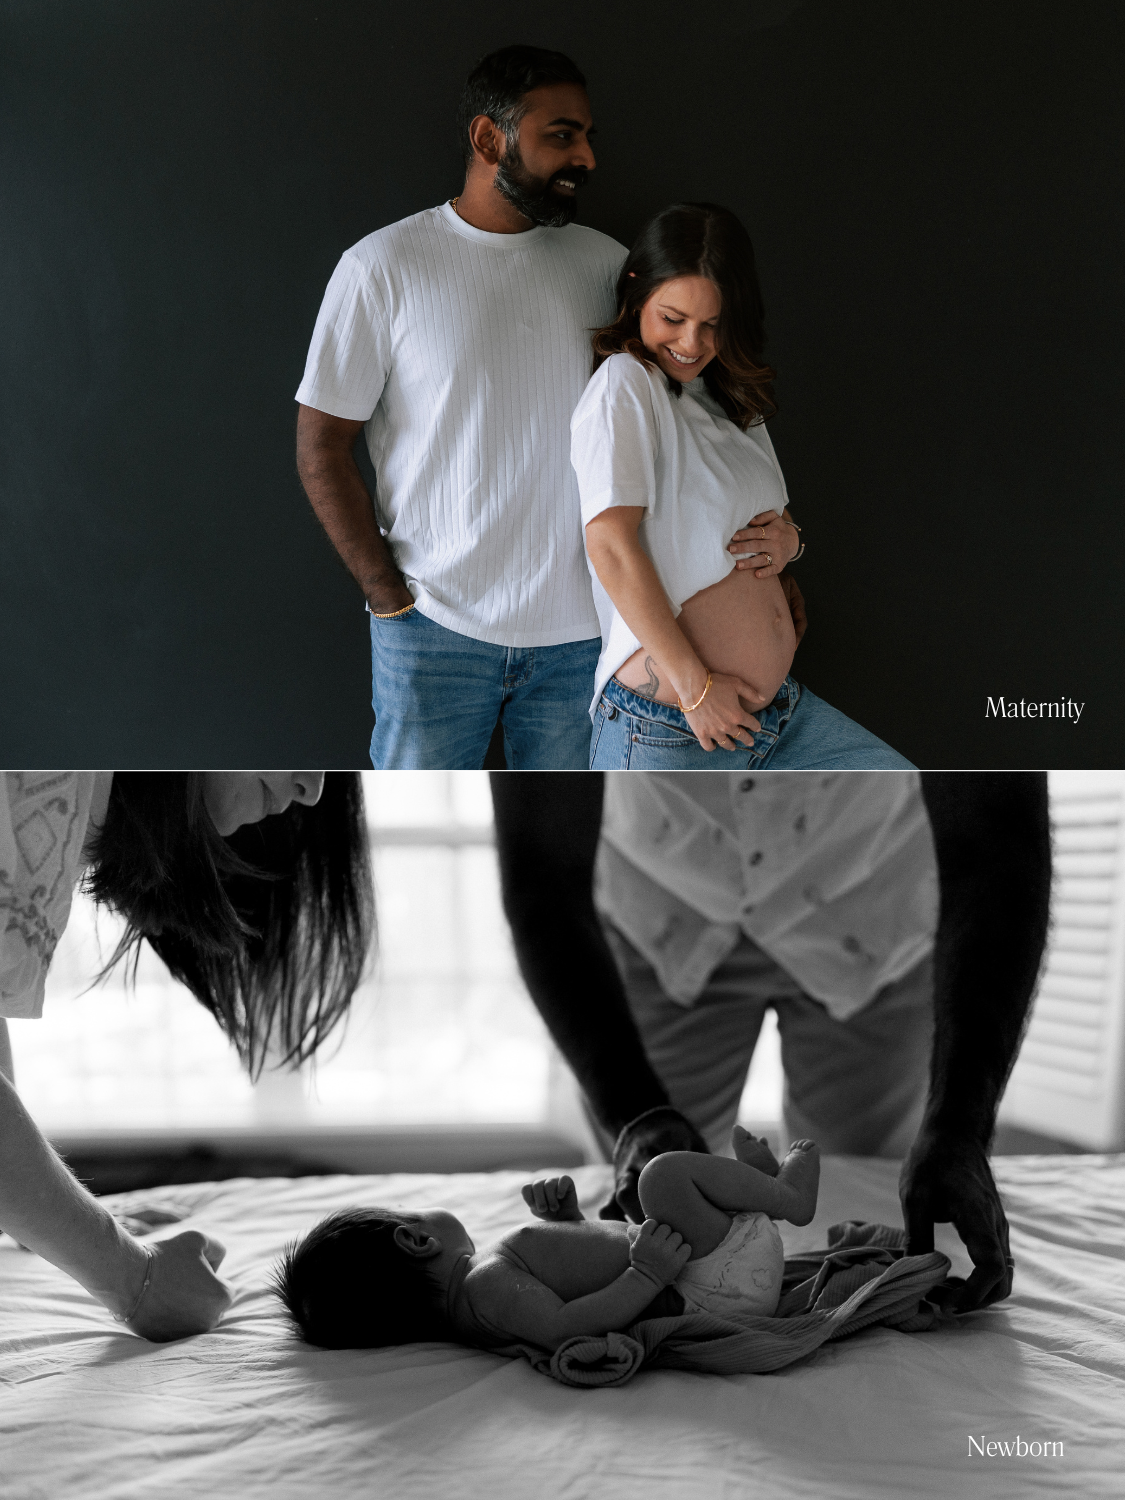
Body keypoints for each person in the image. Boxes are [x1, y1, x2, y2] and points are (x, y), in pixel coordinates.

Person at [294, 47, 792, 770]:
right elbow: (320, 445)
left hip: (588, 636)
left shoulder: (608, 266)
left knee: (563, 838)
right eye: (561, 135)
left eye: (588, 136)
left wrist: (779, 555)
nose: (585, 157)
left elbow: (694, 420)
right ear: (488, 139)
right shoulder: (383, 267)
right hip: (433, 630)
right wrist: (386, 597)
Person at [491, 770, 1052, 1313]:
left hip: (869, 909)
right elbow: (542, 868)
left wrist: (960, 1126)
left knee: (877, 1199)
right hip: (663, 914)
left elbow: (997, 840)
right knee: (641, 1197)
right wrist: (634, 1114)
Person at [0, 771, 373, 1341]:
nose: (312, 789)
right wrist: (133, 1280)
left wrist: (41, 1219)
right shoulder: (53, 783)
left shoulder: (64, 798)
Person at [573, 202, 912, 769]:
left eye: (712, 324)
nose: (691, 342)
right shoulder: (626, 383)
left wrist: (791, 544)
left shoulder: (731, 399)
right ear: (636, 293)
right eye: (672, 317)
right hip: (675, 725)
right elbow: (609, 542)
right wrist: (696, 690)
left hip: (770, 713)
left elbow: (762, 521)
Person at [273, 1128, 821, 1351]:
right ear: (415, 1240)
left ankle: (757, 1194)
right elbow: (565, 1325)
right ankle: (784, 1199)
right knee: (660, 1179)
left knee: (660, 1197)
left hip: (712, 1267)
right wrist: (646, 1275)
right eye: (412, 1212)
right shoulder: (486, 1289)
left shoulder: (484, 1288)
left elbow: (578, 1276)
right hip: (713, 1284)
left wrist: (568, 1221)